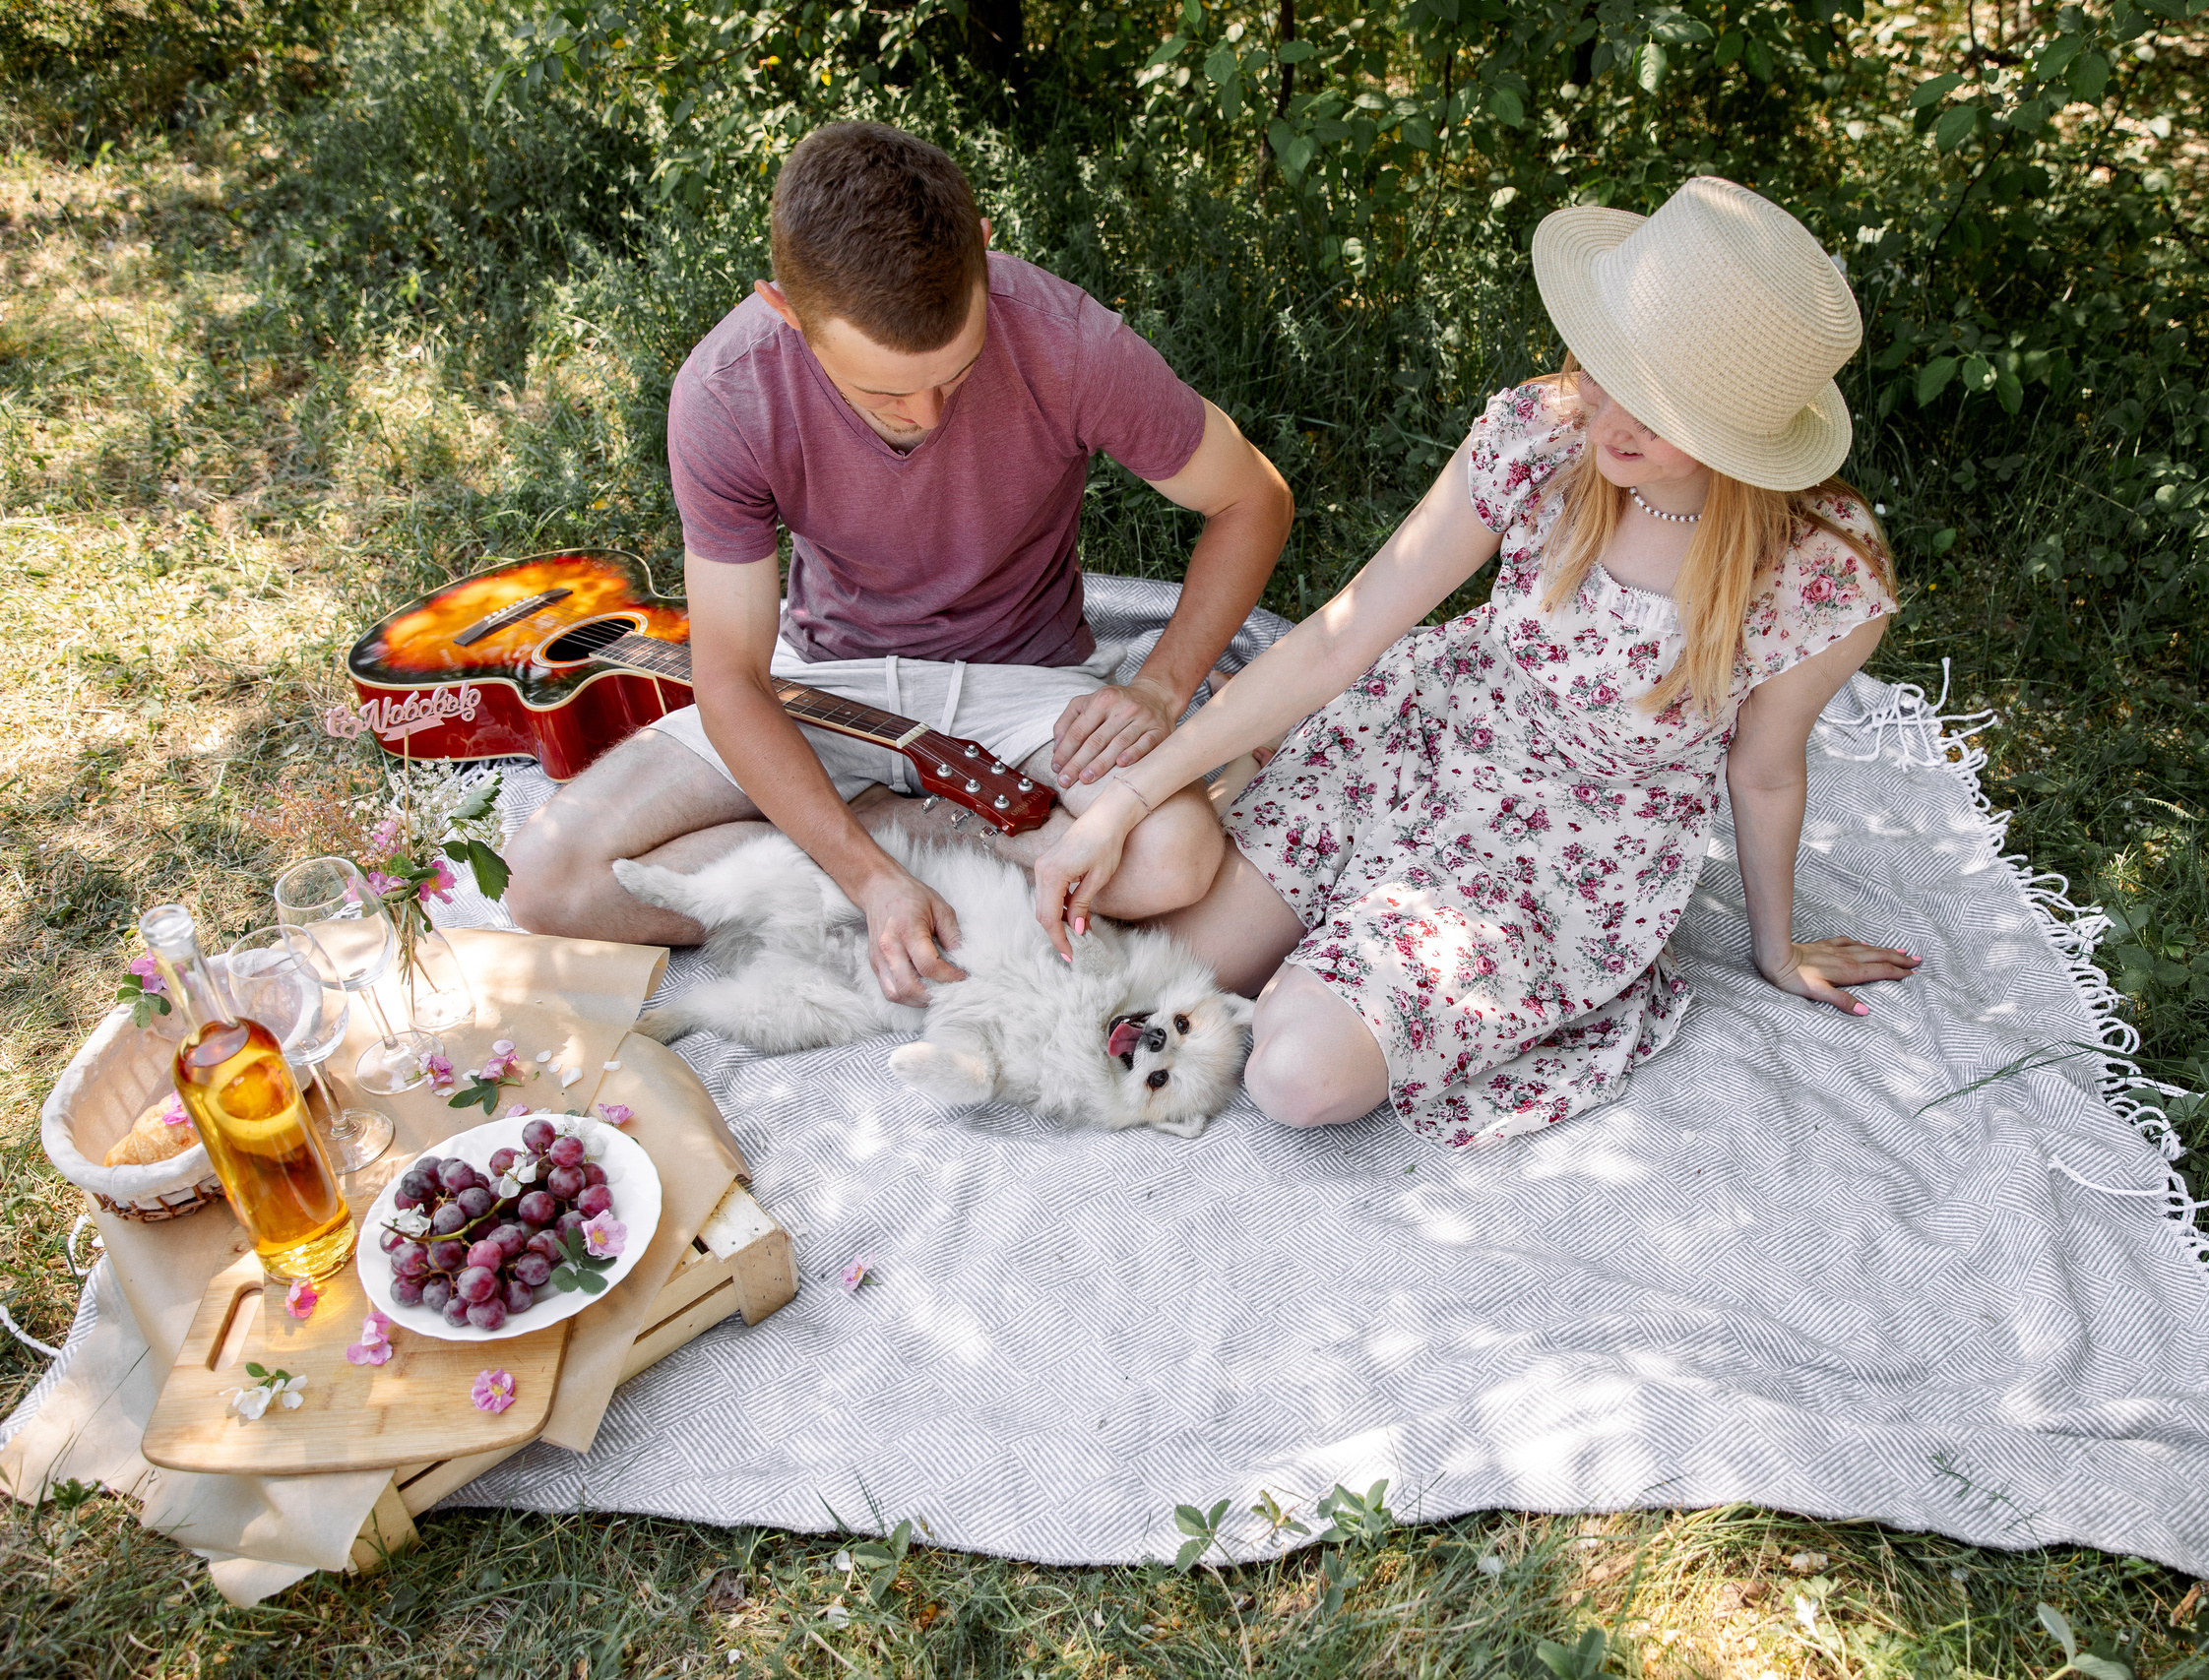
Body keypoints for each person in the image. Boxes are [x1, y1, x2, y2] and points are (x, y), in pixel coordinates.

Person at [1033, 177, 1920, 1148]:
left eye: (1663, 410)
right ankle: (951, 832)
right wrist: (1131, 793)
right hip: (1421, 739)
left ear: (1740, 430)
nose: (1612, 416)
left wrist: (1774, 948)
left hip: (1568, 858)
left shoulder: (1819, 572)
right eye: (1610, 365)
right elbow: (1347, 631)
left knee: (1297, 1076)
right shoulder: (1547, 430)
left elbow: (1763, 769)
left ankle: (1345, 967)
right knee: (1156, 968)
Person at [505, 122, 1293, 1005]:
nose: (922, 412)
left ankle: (860, 849)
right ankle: (892, 856)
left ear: (984, 255)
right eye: (881, 390)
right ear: (788, 313)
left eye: (953, 373)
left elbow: (1253, 498)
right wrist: (867, 875)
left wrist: (1160, 684)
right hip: (825, 687)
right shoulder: (727, 391)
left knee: (1176, 858)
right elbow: (729, 676)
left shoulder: (1070, 343)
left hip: (1024, 683)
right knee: (547, 879)